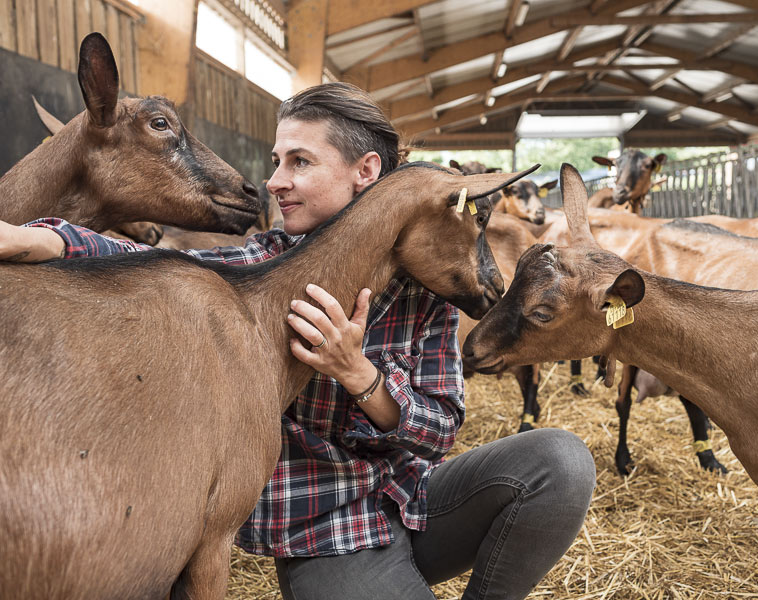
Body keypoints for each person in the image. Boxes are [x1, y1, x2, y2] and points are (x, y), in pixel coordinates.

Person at [0, 82, 595, 599]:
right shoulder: (268, 265)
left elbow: (440, 431)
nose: (274, 181)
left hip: (410, 502)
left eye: (300, 162)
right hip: (329, 536)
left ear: (365, 172)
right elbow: (162, 265)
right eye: (277, 160)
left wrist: (358, 374)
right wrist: (49, 241)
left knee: (560, 462)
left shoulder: (426, 293)